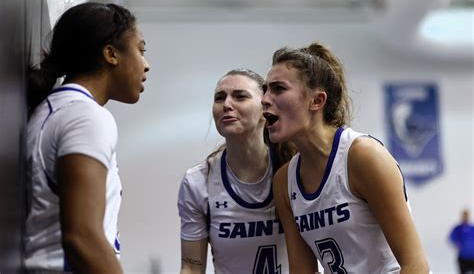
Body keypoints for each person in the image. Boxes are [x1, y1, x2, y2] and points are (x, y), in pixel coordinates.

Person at [261, 42, 430, 273]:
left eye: (278, 89)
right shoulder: (283, 182)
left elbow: (415, 264)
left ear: (317, 101)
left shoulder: (363, 156)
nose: (264, 99)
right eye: (265, 90)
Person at [25, 2, 150, 273]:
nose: (146, 65)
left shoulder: (56, 109)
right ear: (111, 54)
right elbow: (82, 237)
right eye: (141, 51)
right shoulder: (85, 117)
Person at [178, 68, 296, 273]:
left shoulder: (294, 171)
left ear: (265, 111)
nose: (226, 105)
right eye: (219, 98)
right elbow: (191, 266)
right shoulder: (198, 181)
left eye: (240, 96)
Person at [449, 209, 474, 274]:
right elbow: (451, 237)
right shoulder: (458, 228)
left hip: (472, 257)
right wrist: (456, 243)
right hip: (463, 258)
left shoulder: (472, 228)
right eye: (464, 215)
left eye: (467, 215)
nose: (466, 217)